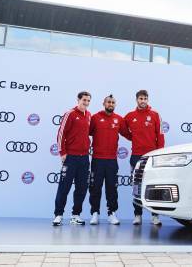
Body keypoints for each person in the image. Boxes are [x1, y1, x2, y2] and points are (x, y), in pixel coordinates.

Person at [124, 89, 165, 225]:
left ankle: (155, 216)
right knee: (137, 186)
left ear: (148, 100)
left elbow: (160, 135)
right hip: (136, 156)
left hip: (152, 156)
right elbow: (123, 130)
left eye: (145, 98)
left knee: (156, 186)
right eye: (140, 98)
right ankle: (137, 215)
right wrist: (133, 137)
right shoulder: (130, 116)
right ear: (137, 100)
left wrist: (159, 154)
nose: (143, 101)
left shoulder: (155, 115)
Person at [88, 95, 131, 225]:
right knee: (95, 188)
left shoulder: (119, 119)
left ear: (115, 104)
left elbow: (128, 135)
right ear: (104, 103)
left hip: (112, 160)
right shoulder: (95, 118)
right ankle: (95, 213)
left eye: (113, 102)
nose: (110, 104)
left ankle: (111, 213)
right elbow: (85, 132)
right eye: (108, 102)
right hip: (97, 160)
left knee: (112, 188)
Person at [52, 91, 92, 226]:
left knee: (82, 188)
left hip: (84, 158)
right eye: (84, 100)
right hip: (71, 158)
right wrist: (62, 152)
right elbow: (61, 134)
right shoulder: (70, 113)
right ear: (78, 100)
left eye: (88, 101)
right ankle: (58, 215)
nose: (86, 103)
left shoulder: (89, 115)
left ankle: (75, 215)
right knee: (64, 187)